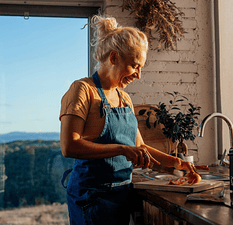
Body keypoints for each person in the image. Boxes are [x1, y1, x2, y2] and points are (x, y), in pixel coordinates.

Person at [60, 14, 197, 225]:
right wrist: (122, 149)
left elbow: (139, 146)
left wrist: (178, 163)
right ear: (113, 58)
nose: (139, 75)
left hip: (122, 194)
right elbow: (69, 146)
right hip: (92, 197)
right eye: (135, 66)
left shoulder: (124, 98)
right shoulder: (83, 90)